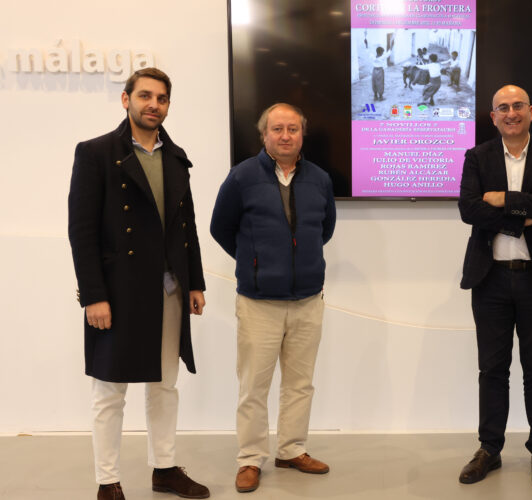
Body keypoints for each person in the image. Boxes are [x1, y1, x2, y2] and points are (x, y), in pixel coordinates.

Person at [68, 68, 209, 500]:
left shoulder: (176, 156)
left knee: (165, 385)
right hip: (118, 292)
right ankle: (107, 480)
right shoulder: (95, 153)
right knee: (110, 391)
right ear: (125, 99)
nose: (154, 104)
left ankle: (164, 469)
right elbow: (82, 229)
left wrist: (195, 282)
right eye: (145, 96)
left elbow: (186, 227)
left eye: (162, 98)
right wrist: (94, 295)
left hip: (168, 290)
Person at [210, 103, 336, 494]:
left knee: (300, 384)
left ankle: (291, 449)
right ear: (264, 135)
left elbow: (324, 229)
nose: (285, 136)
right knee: (253, 386)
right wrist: (257, 261)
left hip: (307, 301)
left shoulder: (319, 179)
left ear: (302, 134)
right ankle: (250, 459)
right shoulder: (242, 177)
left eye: (293, 129)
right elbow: (221, 228)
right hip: (259, 303)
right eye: (277, 129)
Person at [457, 85, 532, 489]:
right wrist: (526, 211)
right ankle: (489, 449)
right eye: (503, 108)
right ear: (493, 117)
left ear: (531, 111)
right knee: (492, 369)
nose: (511, 113)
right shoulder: (478, 156)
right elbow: (468, 209)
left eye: (517, 106)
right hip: (489, 278)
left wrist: (501, 199)